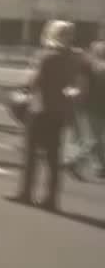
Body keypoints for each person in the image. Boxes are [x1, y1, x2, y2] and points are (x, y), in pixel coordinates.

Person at [14, 21, 86, 210]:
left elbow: (33, 81)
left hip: (40, 110)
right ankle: (51, 199)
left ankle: (26, 193)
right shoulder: (76, 58)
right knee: (53, 158)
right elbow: (78, 84)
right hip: (60, 112)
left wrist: (22, 90)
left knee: (31, 154)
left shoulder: (45, 56)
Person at [64, 40, 105, 180]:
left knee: (95, 138)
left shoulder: (91, 66)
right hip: (97, 108)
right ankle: (74, 162)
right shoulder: (99, 67)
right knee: (94, 140)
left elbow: (82, 86)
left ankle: (101, 167)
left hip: (90, 106)